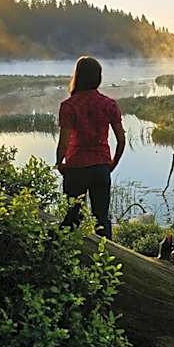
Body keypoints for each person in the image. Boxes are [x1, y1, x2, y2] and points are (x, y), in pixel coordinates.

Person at [56, 56, 125, 238]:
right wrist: (112, 164)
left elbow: (63, 142)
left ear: (77, 76)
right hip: (101, 167)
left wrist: (59, 163)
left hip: (75, 168)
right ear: (98, 77)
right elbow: (121, 140)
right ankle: (104, 261)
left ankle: (63, 258)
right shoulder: (109, 104)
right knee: (101, 220)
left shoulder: (68, 106)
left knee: (72, 218)